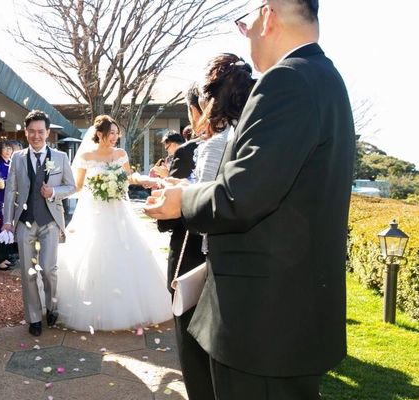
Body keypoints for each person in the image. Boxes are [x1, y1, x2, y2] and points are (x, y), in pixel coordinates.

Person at [145, 1, 355, 398]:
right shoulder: (324, 78)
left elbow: (241, 194)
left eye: (248, 21)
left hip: (261, 323)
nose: (247, 33)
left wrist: (181, 200)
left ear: (269, 17)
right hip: (285, 315)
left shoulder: (288, 81)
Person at [163, 54, 256, 400]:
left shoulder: (217, 143)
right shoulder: (245, 134)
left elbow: (206, 207)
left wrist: (174, 201)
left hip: (201, 261)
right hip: (235, 268)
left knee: (196, 360)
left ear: (207, 100)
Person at [56, 114, 172, 331]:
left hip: (119, 210)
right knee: (93, 252)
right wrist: (57, 193)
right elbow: (78, 186)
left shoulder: (121, 154)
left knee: (127, 250)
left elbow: (128, 177)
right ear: (99, 134)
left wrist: (146, 180)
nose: (115, 137)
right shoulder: (87, 156)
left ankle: (131, 307)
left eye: (117, 133)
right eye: (111, 133)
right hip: (95, 211)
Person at [2, 110, 76, 336]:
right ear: (26, 132)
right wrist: (7, 221)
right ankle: (34, 317)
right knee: (28, 272)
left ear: (47, 132)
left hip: (50, 221)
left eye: (40, 131)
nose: (36, 136)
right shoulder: (17, 158)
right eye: (32, 131)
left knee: (48, 269)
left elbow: (71, 187)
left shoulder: (60, 157)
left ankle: (52, 306)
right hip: (24, 221)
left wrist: (53, 192)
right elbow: (10, 190)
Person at [0, 140, 17, 270]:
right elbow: (0, 184)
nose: (8, 151)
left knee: (8, 226)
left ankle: (6, 256)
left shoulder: (11, 163)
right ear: (0, 150)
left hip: (10, 199)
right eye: (5, 148)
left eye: (9, 148)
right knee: (0, 226)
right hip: (0, 199)